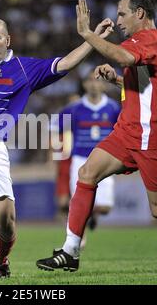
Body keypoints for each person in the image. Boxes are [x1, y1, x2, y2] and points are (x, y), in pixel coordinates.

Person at [36, 0, 157, 281]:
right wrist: (117, 81)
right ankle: (70, 250)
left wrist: (86, 33)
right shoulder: (143, 45)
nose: (118, 20)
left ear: (140, 14)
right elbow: (150, 87)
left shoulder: (150, 40)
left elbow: (122, 55)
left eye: (122, 14)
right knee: (86, 173)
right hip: (129, 131)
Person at [0, 17, 115, 278]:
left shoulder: (23, 68)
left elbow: (65, 63)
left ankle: (1, 258)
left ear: (8, 40)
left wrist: (92, 38)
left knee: (7, 225)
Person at [53, 73, 120, 237]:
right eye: (90, 80)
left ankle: (91, 215)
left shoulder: (113, 108)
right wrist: (54, 152)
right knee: (78, 202)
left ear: (105, 85)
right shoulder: (74, 108)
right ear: (84, 84)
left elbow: (121, 131)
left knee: (105, 207)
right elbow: (55, 127)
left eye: (98, 80)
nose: (94, 84)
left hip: (105, 158)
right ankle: (76, 239)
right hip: (80, 158)